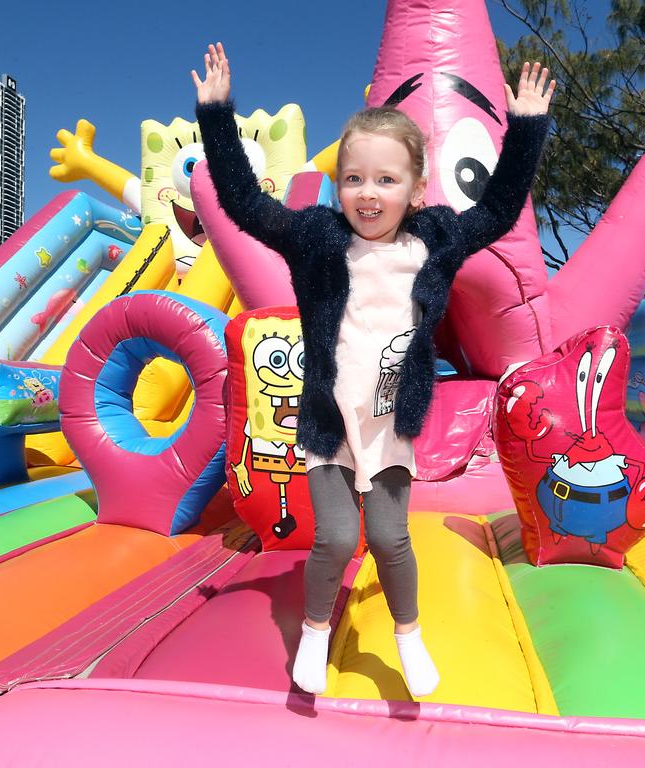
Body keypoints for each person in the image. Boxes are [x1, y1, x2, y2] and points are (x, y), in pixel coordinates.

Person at [193, 42, 554, 697]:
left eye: (386, 180)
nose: (368, 192)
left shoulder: (437, 239)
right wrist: (218, 116)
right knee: (334, 539)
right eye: (355, 178)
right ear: (339, 186)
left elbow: (499, 209)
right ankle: (312, 632)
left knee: (389, 539)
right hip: (330, 419)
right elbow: (245, 205)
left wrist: (526, 127)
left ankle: (408, 637)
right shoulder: (315, 238)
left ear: (416, 190)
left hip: (391, 418)